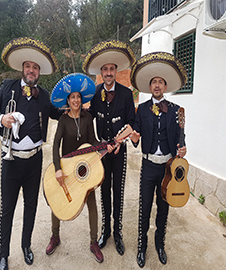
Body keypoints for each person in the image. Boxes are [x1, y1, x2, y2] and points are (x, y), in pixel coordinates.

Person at [0, 37, 62, 270]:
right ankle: (3, 254)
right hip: (11, 159)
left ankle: (26, 246)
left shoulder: (45, 94)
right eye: (28, 66)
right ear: (23, 69)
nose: (31, 70)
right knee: (8, 208)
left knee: (31, 205)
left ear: (39, 72)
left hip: (34, 159)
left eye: (36, 67)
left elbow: (57, 114)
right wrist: (1, 119)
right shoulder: (7, 87)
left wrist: (78, 105)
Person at [45, 73, 114, 263]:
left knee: (92, 204)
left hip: (84, 170)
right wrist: (58, 168)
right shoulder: (63, 120)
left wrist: (104, 145)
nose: (75, 100)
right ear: (68, 100)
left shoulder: (88, 117)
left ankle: (93, 242)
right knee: (57, 203)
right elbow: (56, 145)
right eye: (72, 97)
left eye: (78, 97)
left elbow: (92, 141)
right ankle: (55, 236)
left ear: (81, 100)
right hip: (67, 169)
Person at [129, 52, 188, 267]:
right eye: (154, 82)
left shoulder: (175, 111)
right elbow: (136, 132)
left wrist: (182, 149)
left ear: (165, 86)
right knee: (145, 208)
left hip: (168, 169)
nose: (157, 85)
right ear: (150, 86)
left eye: (160, 82)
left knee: (164, 208)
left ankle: (159, 244)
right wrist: (135, 138)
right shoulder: (142, 109)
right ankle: (142, 247)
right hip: (148, 165)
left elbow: (181, 136)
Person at [82, 40, 136, 256]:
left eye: (112, 69)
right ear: (101, 73)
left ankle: (118, 233)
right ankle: (105, 231)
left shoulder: (125, 93)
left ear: (116, 71)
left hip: (119, 152)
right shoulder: (95, 93)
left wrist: (119, 141)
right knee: (104, 192)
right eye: (105, 69)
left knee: (118, 193)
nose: (108, 72)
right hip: (101, 154)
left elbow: (132, 122)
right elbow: (90, 118)